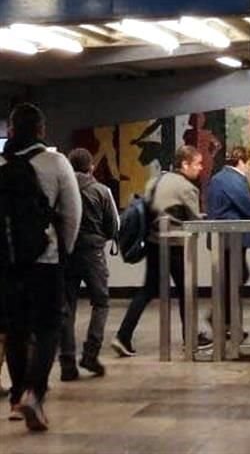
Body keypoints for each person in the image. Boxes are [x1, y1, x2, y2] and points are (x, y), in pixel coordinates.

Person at [0, 103, 81, 431]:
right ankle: (35, 392)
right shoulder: (56, 162)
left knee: (16, 328)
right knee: (49, 327)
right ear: (42, 130)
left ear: (11, 130)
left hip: (8, 262)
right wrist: (65, 250)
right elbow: (73, 212)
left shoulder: (2, 164)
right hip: (45, 260)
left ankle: (18, 396)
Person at [112, 145, 207, 357]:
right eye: (198, 163)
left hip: (154, 243)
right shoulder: (187, 188)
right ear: (185, 164)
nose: (201, 168)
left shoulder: (154, 181)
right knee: (186, 290)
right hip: (175, 245)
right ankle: (190, 339)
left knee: (147, 290)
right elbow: (194, 221)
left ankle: (123, 336)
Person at [59, 147, 117, 381]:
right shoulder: (101, 191)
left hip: (67, 252)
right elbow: (113, 226)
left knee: (67, 307)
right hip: (93, 253)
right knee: (101, 302)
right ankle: (90, 353)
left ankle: (67, 362)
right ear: (91, 166)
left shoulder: (61, 191)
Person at [203, 146, 250, 341]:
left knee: (232, 278)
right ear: (242, 161)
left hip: (224, 239)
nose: (249, 167)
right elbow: (249, 208)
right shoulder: (233, 179)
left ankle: (225, 322)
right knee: (234, 279)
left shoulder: (218, 178)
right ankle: (225, 322)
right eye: (249, 163)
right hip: (232, 239)